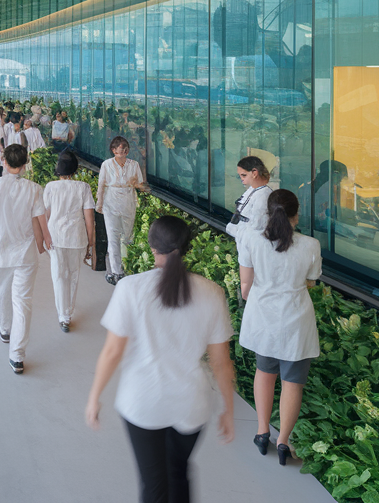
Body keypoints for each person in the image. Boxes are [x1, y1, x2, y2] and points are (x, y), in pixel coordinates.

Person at [85, 215, 236, 503]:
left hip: (143, 401)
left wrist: (94, 396)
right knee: (179, 472)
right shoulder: (212, 293)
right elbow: (221, 362)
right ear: (188, 247)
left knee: (153, 483)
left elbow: (113, 351)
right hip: (191, 403)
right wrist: (227, 409)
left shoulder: (130, 288)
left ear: (152, 247)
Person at [239, 189, 321, 466]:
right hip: (296, 320)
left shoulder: (251, 239)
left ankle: (263, 432)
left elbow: (246, 285)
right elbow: (310, 282)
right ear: (297, 216)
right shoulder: (310, 245)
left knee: (264, 373)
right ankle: (284, 441)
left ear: (267, 213)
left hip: (264, 318)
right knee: (293, 383)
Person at [0, 144, 49, 374]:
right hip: (25, 253)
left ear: (4, 162)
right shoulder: (35, 189)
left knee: (0, 292)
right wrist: (46, 240)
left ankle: (5, 329)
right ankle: (17, 356)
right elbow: (40, 218)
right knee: (23, 302)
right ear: (26, 163)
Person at [43, 150, 95, 331]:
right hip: (77, 237)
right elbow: (89, 218)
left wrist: (44, 236)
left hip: (55, 237)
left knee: (58, 275)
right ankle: (67, 316)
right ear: (75, 170)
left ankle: (61, 313)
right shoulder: (84, 188)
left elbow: (46, 214)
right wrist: (91, 242)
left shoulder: (50, 187)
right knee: (73, 275)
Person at [98, 136, 150, 285]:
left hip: (128, 201)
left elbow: (140, 184)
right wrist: (99, 204)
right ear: (113, 150)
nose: (124, 150)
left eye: (125, 148)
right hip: (111, 202)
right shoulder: (106, 165)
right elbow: (101, 184)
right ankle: (116, 272)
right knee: (113, 236)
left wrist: (141, 187)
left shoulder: (134, 165)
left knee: (127, 237)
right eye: (120, 148)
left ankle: (126, 268)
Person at [227, 156, 272, 247]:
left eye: (244, 175)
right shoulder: (252, 190)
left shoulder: (263, 195)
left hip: (253, 245)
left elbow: (257, 227)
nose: (241, 178)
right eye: (239, 175)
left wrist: (233, 229)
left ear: (254, 173)